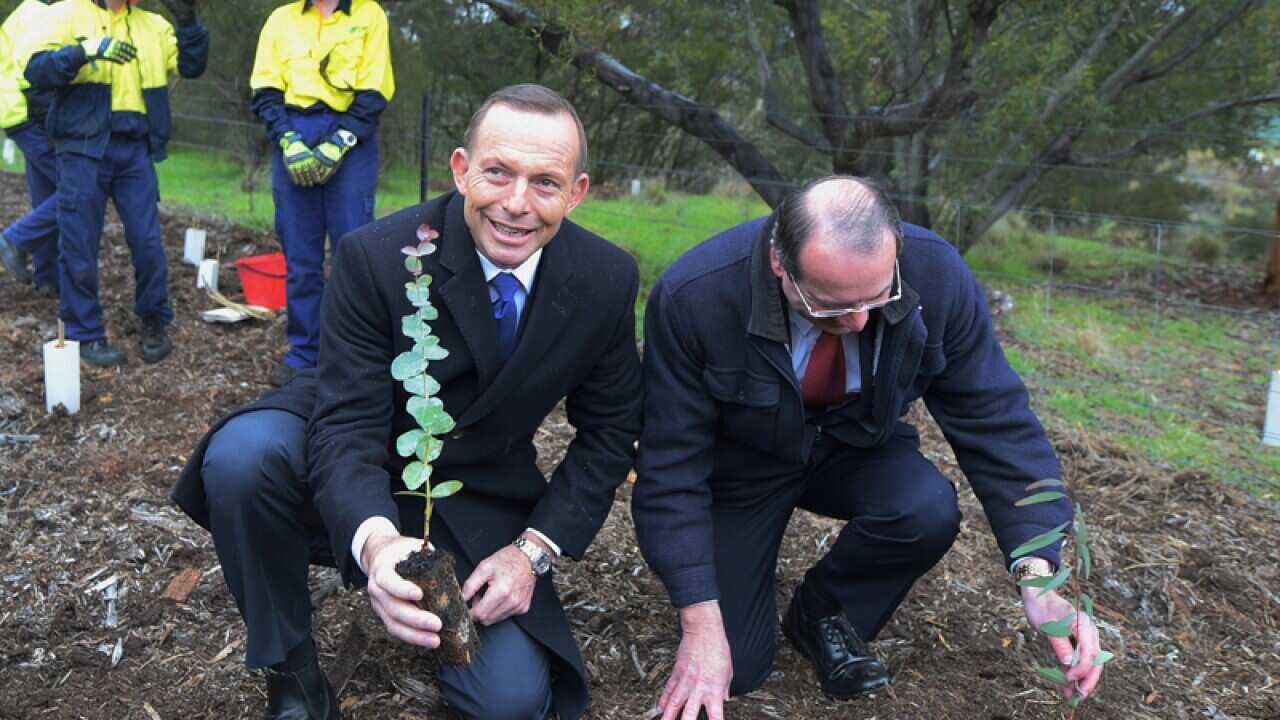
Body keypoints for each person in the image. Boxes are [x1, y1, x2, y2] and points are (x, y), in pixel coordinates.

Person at [171, 84, 643, 720]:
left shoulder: (606, 280)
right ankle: (292, 673)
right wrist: (374, 545)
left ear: (578, 192)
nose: (516, 204)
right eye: (497, 173)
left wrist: (533, 550)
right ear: (460, 168)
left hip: (475, 488)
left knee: (512, 702)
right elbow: (346, 423)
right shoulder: (377, 256)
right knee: (243, 458)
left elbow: (610, 433)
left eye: (545, 183)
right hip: (349, 437)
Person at [632, 176, 1105, 719]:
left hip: (853, 446)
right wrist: (700, 623)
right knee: (735, 666)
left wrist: (1039, 574)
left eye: (876, 300)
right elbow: (670, 468)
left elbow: (996, 420)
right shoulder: (696, 296)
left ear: (896, 255)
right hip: (742, 464)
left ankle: (825, 611)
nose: (857, 322)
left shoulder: (936, 275)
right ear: (779, 263)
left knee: (923, 507)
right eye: (830, 306)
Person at [22, 0, 208, 366]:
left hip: (134, 148)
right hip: (82, 146)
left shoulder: (154, 25)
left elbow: (191, 66)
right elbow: (36, 71)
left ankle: (155, 320)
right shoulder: (66, 13)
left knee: (148, 241)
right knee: (78, 242)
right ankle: (83, 332)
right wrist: (85, 51)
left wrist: (188, 23)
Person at [249, 0, 395, 388]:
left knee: (355, 252)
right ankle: (303, 354)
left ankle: (354, 353)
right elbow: (264, 89)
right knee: (300, 255)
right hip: (295, 131)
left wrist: (340, 142)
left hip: (351, 138)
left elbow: (375, 89)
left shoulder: (369, 15)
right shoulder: (280, 19)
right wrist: (288, 140)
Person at [0, 0, 61, 297]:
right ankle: (15, 240)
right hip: (30, 116)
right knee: (79, 189)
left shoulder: (23, 12)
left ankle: (47, 278)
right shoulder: (43, 15)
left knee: (47, 193)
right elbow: (35, 75)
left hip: (15, 113)